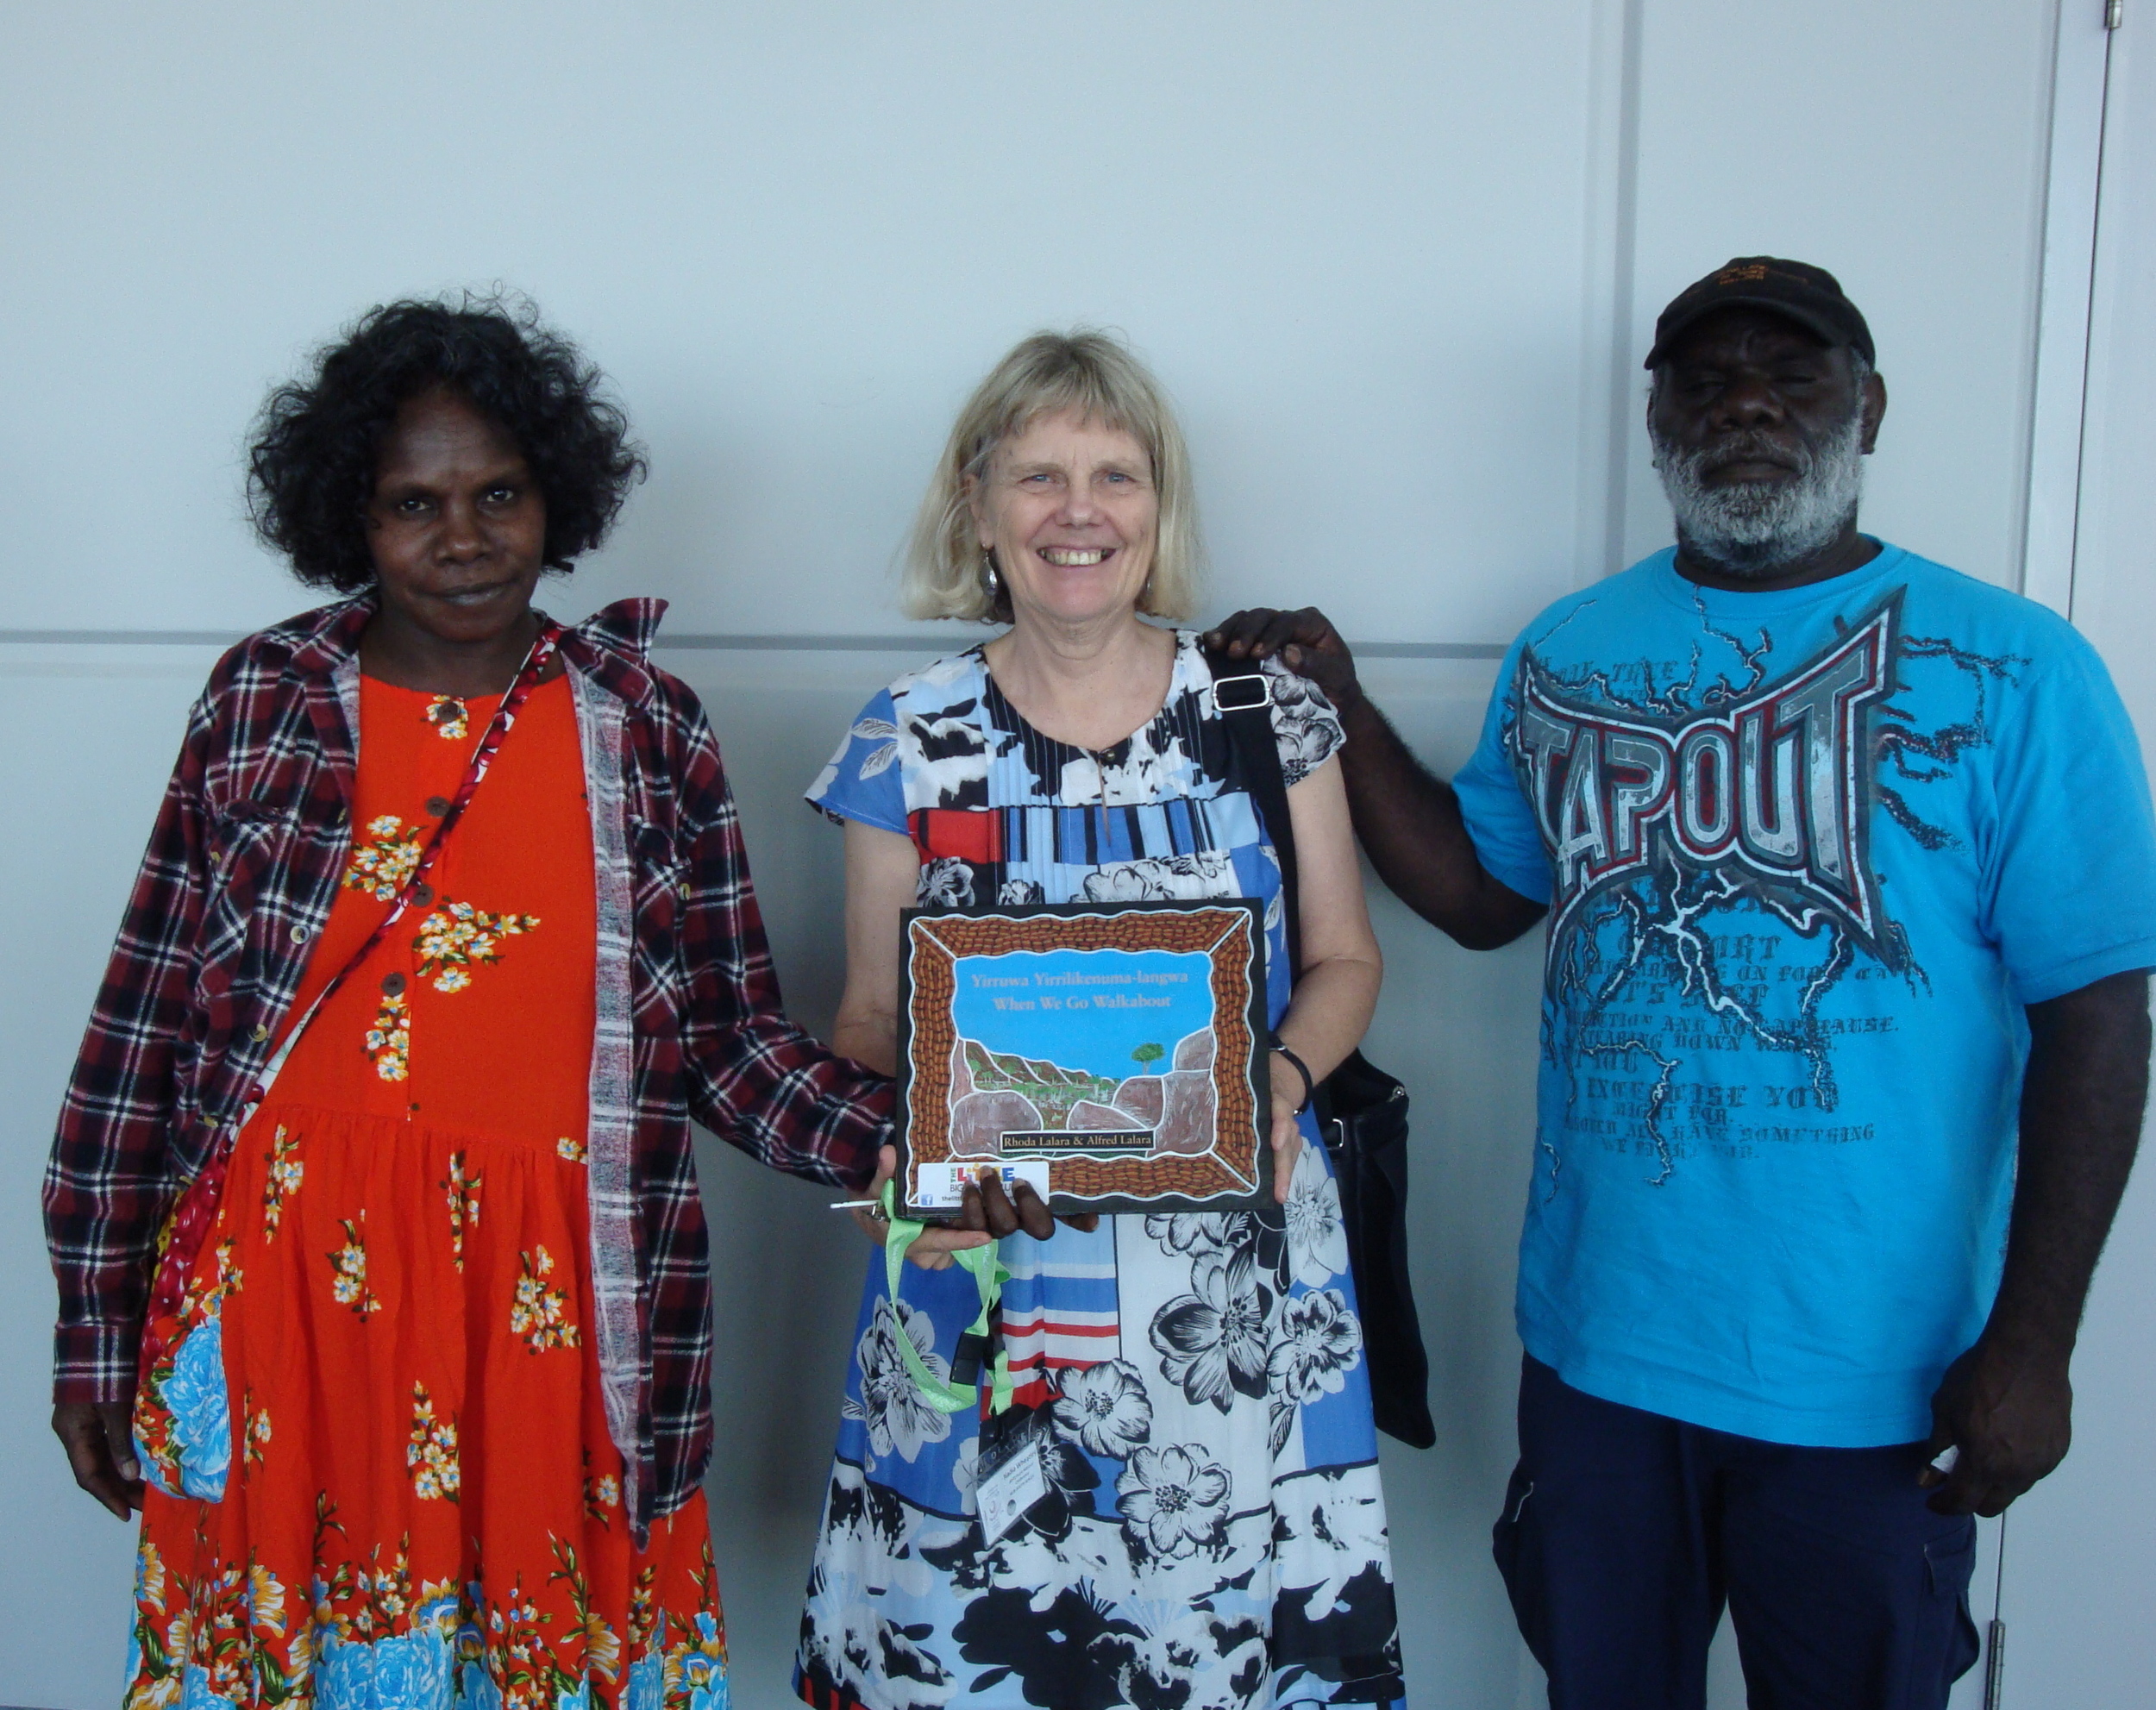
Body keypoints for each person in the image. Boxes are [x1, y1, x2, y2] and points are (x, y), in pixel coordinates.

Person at [1209, 257, 2156, 1709]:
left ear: (1868, 410)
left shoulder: (2022, 669)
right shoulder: (1570, 647)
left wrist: (2033, 1343)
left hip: (1876, 1373)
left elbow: (2096, 1016)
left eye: (1793, 374)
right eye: (1705, 382)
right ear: (1657, 422)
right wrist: (1338, 701)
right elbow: (1480, 899)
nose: (1747, 406)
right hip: (1602, 1350)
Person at [45, 296, 893, 1710]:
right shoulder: (261, 698)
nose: (464, 537)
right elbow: (139, 1032)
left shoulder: (645, 723)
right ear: (351, 516)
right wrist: (93, 1328)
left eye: (499, 494)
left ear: (556, 497)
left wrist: (918, 1148)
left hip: (554, 1314)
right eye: (413, 504)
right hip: (284, 1309)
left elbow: (733, 1043)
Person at [792, 331, 1403, 1709]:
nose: (1080, 513)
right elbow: (871, 1017)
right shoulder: (909, 735)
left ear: (1159, 505)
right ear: (977, 505)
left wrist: (1280, 1086)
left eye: (1116, 476)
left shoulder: (1262, 716)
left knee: (1217, 1653)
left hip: (1230, 1290)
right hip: (987, 1269)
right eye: (1040, 476)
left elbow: (1346, 959)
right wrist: (908, 1151)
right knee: (977, 1658)